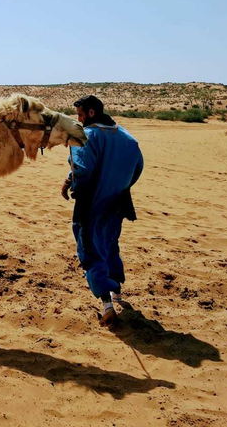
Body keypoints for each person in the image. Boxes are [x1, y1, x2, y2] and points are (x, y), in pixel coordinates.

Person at [61, 95, 143, 328]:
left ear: (91, 113)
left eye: (79, 115)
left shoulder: (86, 136)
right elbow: (137, 168)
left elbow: (82, 169)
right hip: (117, 203)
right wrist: (118, 187)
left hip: (92, 204)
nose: (78, 120)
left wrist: (75, 186)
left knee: (90, 250)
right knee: (110, 244)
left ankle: (107, 307)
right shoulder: (128, 137)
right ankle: (118, 294)